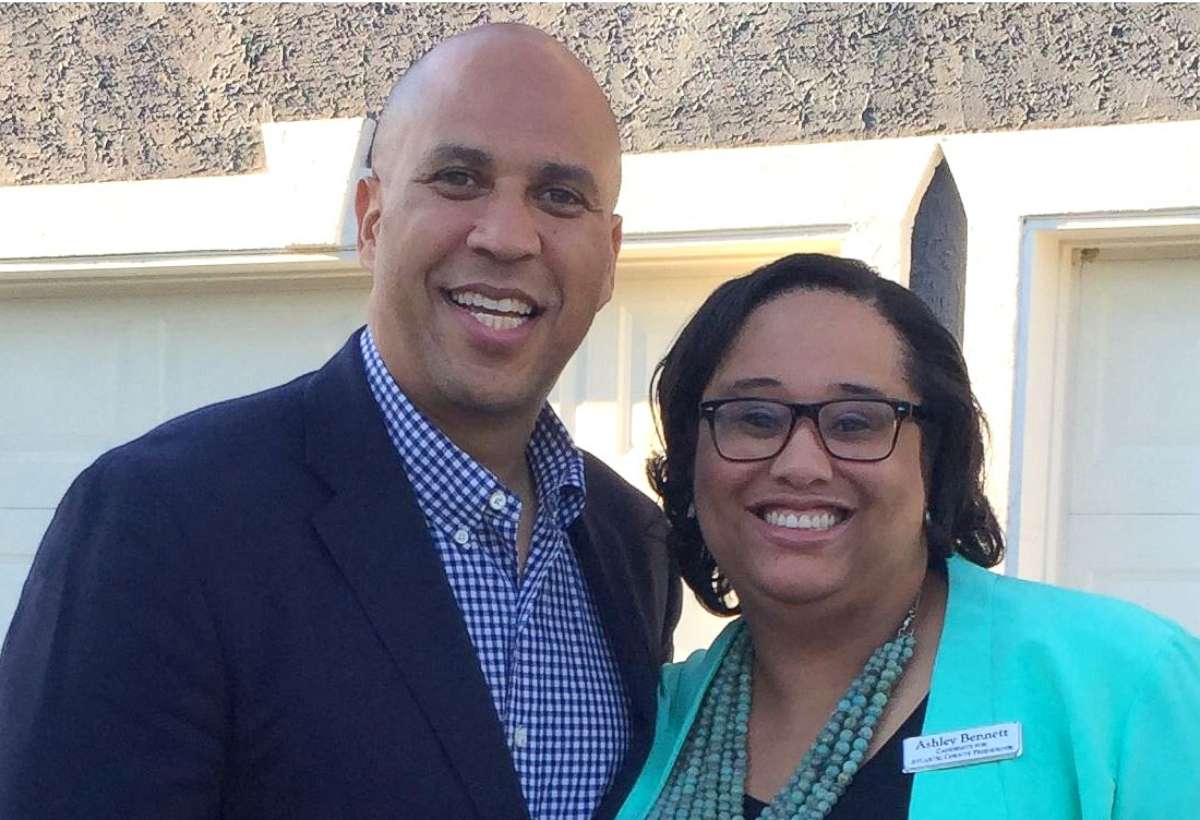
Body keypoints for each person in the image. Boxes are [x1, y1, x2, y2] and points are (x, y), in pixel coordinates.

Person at [0, 24, 679, 820]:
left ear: (610, 255)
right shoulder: (160, 520)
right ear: (370, 218)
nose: (505, 236)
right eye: (458, 178)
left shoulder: (634, 547)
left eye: (560, 196)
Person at [618, 253, 1200, 819]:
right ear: (692, 458)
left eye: (855, 422)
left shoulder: (1124, 683)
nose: (801, 464)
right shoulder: (652, 715)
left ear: (934, 459)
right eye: (754, 417)